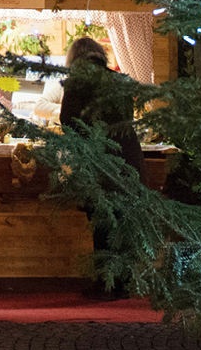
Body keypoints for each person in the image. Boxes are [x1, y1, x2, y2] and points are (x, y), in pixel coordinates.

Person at [59, 35, 143, 299]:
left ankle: (106, 285)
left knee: (102, 223)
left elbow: (68, 121)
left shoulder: (77, 84)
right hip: (128, 159)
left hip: (99, 162)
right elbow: (126, 119)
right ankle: (124, 283)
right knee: (122, 222)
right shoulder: (120, 80)